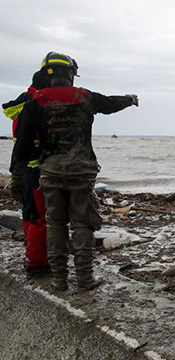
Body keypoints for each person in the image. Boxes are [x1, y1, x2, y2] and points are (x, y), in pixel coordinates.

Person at [11, 51, 139, 291]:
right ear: (70, 73)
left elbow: (23, 143)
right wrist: (129, 99)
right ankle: (84, 279)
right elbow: (110, 104)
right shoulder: (84, 96)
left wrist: (17, 176)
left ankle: (60, 280)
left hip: (50, 172)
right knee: (82, 224)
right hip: (82, 172)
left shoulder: (34, 101)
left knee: (55, 223)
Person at [3, 70, 50, 275]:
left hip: (20, 167)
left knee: (29, 213)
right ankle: (38, 263)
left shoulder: (21, 103)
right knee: (39, 215)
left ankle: (31, 255)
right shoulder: (36, 103)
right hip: (34, 169)